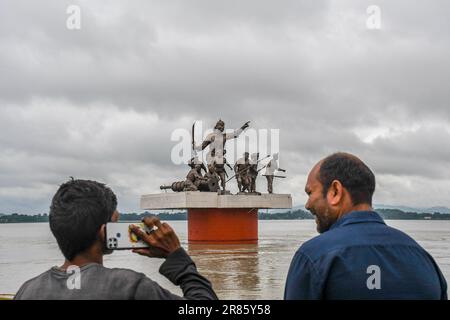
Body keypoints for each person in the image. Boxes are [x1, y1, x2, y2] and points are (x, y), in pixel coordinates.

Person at [14, 179, 218, 300]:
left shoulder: (27, 290)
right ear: (104, 232)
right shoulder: (130, 286)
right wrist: (177, 258)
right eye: (116, 221)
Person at [284, 152, 447, 300]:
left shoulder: (314, 256)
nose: (307, 204)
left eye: (310, 193)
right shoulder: (423, 258)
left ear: (335, 191)